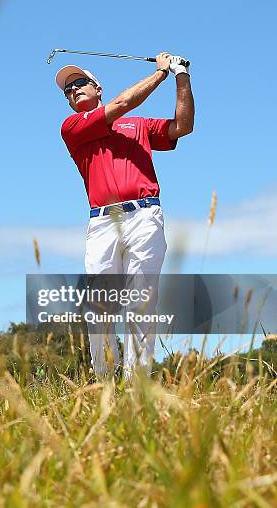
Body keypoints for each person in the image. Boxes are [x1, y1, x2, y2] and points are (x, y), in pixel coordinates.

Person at [57, 52, 195, 378]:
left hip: (145, 215)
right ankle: (105, 381)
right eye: (67, 90)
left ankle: (137, 387)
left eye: (80, 83)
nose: (73, 90)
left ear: (97, 87)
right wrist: (161, 73)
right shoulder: (73, 126)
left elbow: (183, 126)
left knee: (141, 303)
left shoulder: (138, 124)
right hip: (103, 222)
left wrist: (181, 76)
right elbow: (120, 105)